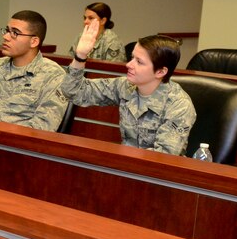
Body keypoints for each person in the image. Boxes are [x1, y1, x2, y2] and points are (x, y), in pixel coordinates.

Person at [61, 20, 196, 155]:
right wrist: (80, 56)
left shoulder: (179, 105)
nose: (129, 65)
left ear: (160, 72)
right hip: (124, 166)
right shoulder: (126, 86)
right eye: (132, 58)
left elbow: (162, 158)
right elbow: (73, 91)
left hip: (153, 173)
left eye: (139, 62)